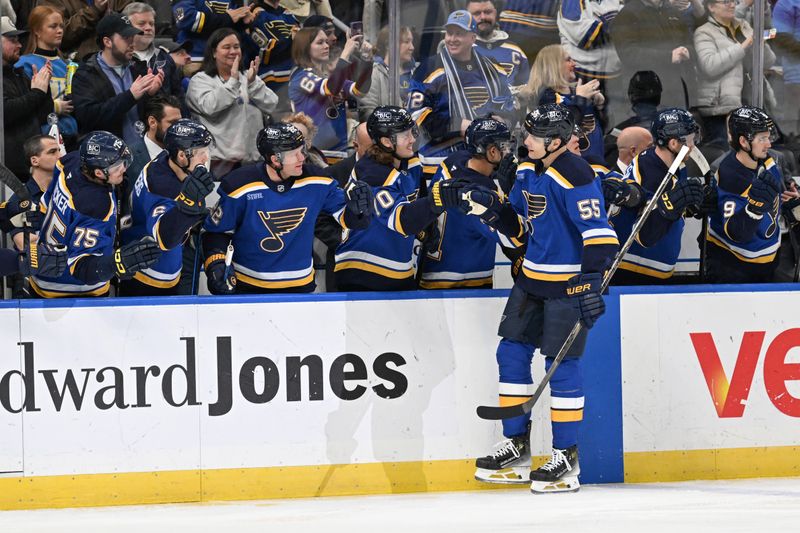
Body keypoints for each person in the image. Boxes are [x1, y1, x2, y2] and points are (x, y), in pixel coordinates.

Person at [466, 104, 618, 493]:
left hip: (567, 286)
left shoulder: (575, 174)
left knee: (561, 365)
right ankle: (516, 446)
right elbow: (519, 230)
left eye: (533, 135)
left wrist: (589, 285)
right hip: (531, 280)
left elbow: (599, 235)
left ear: (554, 141)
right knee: (511, 353)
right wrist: (494, 211)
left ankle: (566, 456)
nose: (525, 140)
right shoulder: (524, 169)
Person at [201, 122, 373, 294]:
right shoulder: (239, 185)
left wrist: (358, 211)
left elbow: (348, 219)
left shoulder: (319, 181)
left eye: (302, 150)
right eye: (294, 154)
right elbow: (216, 232)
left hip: (300, 286)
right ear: (275, 160)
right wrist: (216, 263)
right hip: (248, 285)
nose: (302, 158)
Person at [334, 106, 475, 291]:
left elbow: (419, 201)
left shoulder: (411, 162)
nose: (413, 139)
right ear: (386, 141)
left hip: (399, 266)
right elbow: (402, 221)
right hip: (363, 271)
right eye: (405, 135)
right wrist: (436, 201)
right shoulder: (372, 174)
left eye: (412, 132)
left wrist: (427, 228)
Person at [30, 131, 161, 298]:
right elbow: (81, 267)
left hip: (41, 271)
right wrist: (117, 263)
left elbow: (45, 205)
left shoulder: (69, 161)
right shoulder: (97, 205)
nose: (123, 168)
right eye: (117, 166)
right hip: (69, 289)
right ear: (99, 173)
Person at [418, 117, 522, 289]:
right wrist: (511, 192)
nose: (510, 150)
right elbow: (514, 237)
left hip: (430, 270)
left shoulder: (454, 160)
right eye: (504, 146)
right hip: (463, 280)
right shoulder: (480, 194)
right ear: (492, 152)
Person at [121, 119, 215, 295]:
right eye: (200, 152)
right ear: (181, 156)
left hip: (159, 262)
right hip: (148, 274)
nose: (206, 157)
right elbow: (164, 239)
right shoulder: (161, 186)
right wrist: (188, 204)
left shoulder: (165, 159)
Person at [610, 108, 704, 284]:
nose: (693, 145)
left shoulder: (672, 163)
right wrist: (670, 205)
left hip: (651, 269)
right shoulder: (650, 172)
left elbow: (674, 202)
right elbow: (645, 234)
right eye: (690, 140)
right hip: (634, 271)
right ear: (674, 143)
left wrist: (691, 203)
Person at [407, 10, 515, 157]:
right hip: (439, 158)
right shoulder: (427, 69)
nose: (452, 39)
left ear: (473, 37)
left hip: (487, 158)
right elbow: (416, 116)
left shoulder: (493, 68)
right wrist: (460, 126)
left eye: (459, 33)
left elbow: (509, 108)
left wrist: (501, 122)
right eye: (449, 33)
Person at [705, 106, 783, 283]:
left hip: (768, 263)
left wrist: (788, 203)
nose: (769, 144)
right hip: (734, 268)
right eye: (762, 138)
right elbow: (735, 232)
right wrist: (753, 210)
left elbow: (775, 195)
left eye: (768, 137)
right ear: (743, 141)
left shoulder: (766, 160)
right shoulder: (731, 176)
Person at [186, 28, 278, 175]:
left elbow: (272, 104)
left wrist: (253, 84)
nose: (233, 51)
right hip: (219, 164)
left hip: (254, 161)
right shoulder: (200, 80)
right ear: (214, 52)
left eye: (236, 46)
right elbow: (209, 106)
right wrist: (233, 82)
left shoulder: (248, 76)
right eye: (226, 47)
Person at [71, 13, 164, 148]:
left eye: (132, 37)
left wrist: (151, 94)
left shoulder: (138, 68)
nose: (132, 43)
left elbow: (152, 114)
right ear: (108, 41)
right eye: (126, 38)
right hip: (107, 155)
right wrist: (130, 96)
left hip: (143, 152)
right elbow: (88, 117)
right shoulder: (86, 74)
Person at [694, 0, 776, 146]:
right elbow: (710, 66)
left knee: (757, 149)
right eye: (726, 2)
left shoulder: (743, 25)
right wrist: (744, 45)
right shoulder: (704, 32)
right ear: (711, 7)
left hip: (749, 101)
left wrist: (761, 45)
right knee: (727, 151)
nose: (732, 5)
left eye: (733, 1)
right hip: (720, 109)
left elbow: (768, 62)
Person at [288, 26, 373, 152]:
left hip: (340, 149)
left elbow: (360, 91)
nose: (326, 46)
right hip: (314, 152)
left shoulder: (328, 78)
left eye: (326, 42)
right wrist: (345, 53)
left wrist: (367, 59)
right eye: (320, 42)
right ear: (305, 47)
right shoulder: (300, 77)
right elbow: (331, 88)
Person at [523, 44, 605, 161]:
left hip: (596, 164)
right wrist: (581, 99)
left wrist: (599, 106)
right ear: (553, 65)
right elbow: (558, 130)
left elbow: (594, 129)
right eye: (568, 60)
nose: (574, 64)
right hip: (568, 168)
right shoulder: (544, 96)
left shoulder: (576, 92)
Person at [612, 0, 698, 110]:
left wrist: (687, 51)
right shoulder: (627, 14)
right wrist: (668, 57)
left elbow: (689, 42)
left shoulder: (672, 10)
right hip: (646, 95)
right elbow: (629, 54)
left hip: (679, 90)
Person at [15, 6, 78, 147]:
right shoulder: (24, 63)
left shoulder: (69, 65)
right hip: (41, 138)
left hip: (71, 136)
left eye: (61, 26)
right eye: (53, 26)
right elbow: (24, 104)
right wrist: (55, 106)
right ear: (37, 31)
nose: (60, 30)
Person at [2, 15, 54, 180]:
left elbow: (43, 115)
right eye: (12, 40)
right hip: (6, 173)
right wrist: (37, 93)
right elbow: (5, 113)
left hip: (29, 167)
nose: (19, 45)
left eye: (18, 40)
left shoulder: (18, 73)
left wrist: (44, 89)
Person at [7, 135, 61, 252]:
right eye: (52, 152)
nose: (60, 156)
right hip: (41, 266)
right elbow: (25, 245)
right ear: (35, 161)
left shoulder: (68, 192)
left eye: (59, 150)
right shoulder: (19, 200)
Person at [466, 0, 530, 94]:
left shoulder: (515, 51)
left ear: (495, 13)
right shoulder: (457, 50)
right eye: (477, 13)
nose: (483, 17)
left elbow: (525, 92)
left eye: (487, 12)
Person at [125, 3, 185, 102]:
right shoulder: (119, 59)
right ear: (127, 27)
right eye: (141, 23)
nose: (149, 28)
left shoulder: (165, 57)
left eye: (151, 24)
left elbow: (178, 96)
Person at [243, 0, 299, 107]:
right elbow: (264, 53)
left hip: (297, 80)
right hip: (272, 86)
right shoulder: (253, 15)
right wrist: (292, 41)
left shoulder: (289, 15)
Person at [358, 25, 415, 121]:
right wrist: (395, 120)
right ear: (389, 45)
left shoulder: (416, 73)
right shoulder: (374, 74)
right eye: (407, 42)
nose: (412, 47)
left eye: (412, 42)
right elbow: (368, 114)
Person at [38, 0, 132, 58]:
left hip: (118, 60)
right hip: (77, 66)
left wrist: (111, 16)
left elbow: (133, 22)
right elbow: (59, 35)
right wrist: (94, 11)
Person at [172, 0, 252, 63]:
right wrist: (226, 18)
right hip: (195, 58)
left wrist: (241, 22)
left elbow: (231, 22)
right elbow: (186, 19)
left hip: (226, 60)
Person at [128, 94, 184, 182]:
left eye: (180, 122)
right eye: (172, 122)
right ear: (152, 122)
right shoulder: (130, 157)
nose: (178, 128)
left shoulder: (185, 153)